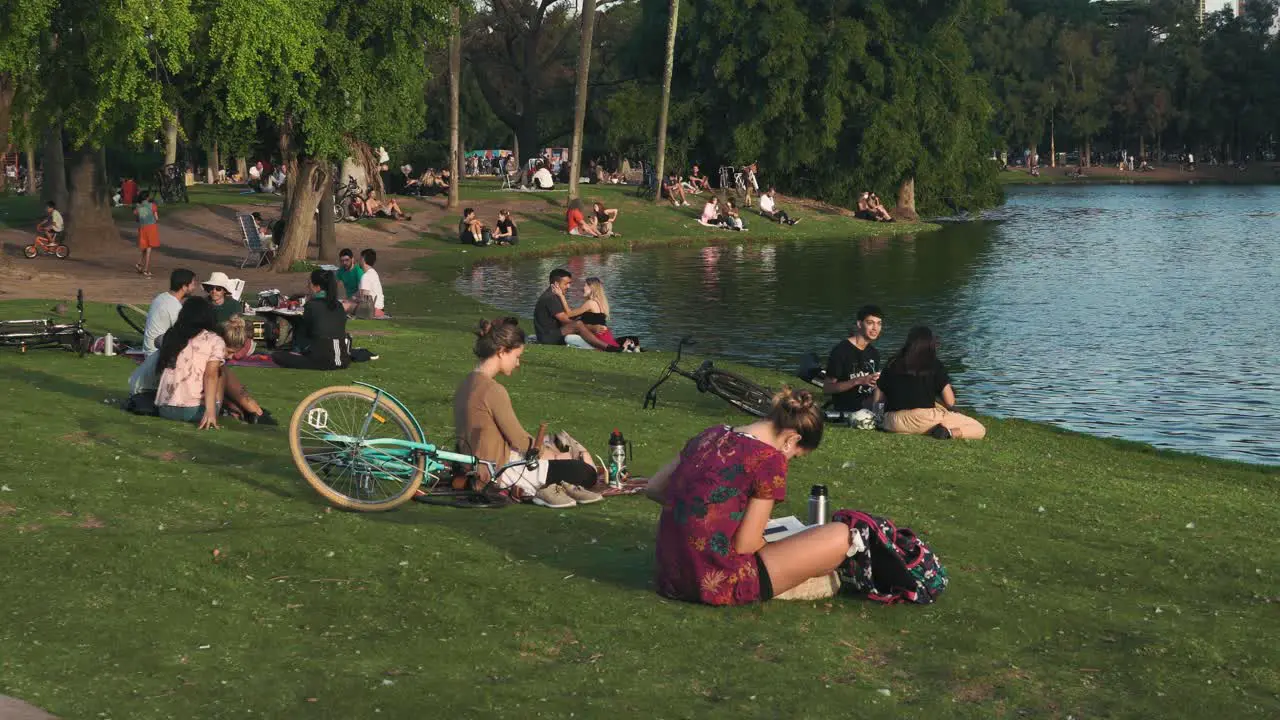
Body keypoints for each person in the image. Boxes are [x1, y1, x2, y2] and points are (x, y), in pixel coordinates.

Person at [647, 387, 854, 605]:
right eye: (795, 455)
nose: (790, 459)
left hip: (670, 575)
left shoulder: (711, 434)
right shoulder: (769, 459)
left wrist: (708, 515)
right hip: (717, 582)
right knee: (841, 536)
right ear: (792, 439)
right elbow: (746, 544)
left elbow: (655, 487)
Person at [453, 317, 603, 508]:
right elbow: (521, 442)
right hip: (500, 471)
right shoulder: (492, 390)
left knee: (558, 452)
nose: (518, 364)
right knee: (586, 473)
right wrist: (545, 451)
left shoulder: (465, 384)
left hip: (473, 465)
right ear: (501, 352)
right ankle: (548, 485)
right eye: (516, 356)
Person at [154, 297, 272, 427]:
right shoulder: (214, 340)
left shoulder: (172, 335)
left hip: (164, 408)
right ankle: (253, 408)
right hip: (191, 411)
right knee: (220, 372)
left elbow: (157, 341)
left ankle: (244, 407)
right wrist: (210, 412)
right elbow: (211, 376)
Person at [876, 326, 985, 440]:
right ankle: (949, 433)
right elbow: (950, 401)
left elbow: (878, 398)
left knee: (937, 406)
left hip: (893, 422)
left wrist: (878, 416)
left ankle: (918, 430)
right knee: (979, 428)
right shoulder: (935, 365)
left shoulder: (892, 363)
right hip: (925, 419)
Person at [272, 270, 351, 370]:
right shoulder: (339, 306)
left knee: (277, 356)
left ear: (317, 287)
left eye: (309, 284)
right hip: (343, 359)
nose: (307, 287)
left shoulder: (311, 306)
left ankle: (296, 352)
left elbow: (306, 333)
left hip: (322, 360)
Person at [823, 305, 883, 413]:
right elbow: (827, 388)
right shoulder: (841, 351)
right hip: (848, 405)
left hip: (869, 401)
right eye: (870, 323)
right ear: (859, 324)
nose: (875, 328)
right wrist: (858, 381)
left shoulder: (874, 353)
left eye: (879, 323)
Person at [532, 269, 611, 350]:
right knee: (578, 324)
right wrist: (591, 327)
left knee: (578, 325)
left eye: (569, 283)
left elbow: (568, 316)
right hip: (548, 338)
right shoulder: (551, 298)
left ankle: (603, 346)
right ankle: (605, 348)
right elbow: (564, 319)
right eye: (566, 284)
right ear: (556, 284)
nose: (569, 286)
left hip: (553, 334)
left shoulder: (555, 296)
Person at [560, 277, 617, 348]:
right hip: (604, 338)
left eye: (585, 285)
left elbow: (568, 314)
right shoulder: (601, 303)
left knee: (568, 338)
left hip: (596, 340)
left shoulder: (590, 303)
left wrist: (561, 296)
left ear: (592, 287)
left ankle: (590, 348)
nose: (583, 288)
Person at [342, 248, 386, 318]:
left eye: (360, 258)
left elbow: (364, 300)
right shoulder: (373, 273)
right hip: (378, 308)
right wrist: (349, 299)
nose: (359, 260)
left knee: (342, 306)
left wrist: (351, 301)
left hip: (371, 310)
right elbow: (360, 293)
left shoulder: (366, 276)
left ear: (363, 259)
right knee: (345, 302)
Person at [131, 191, 161, 277]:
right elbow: (156, 218)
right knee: (148, 249)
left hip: (142, 228)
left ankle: (139, 264)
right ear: (147, 198)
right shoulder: (152, 206)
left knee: (145, 247)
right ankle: (146, 269)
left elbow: (136, 219)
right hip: (151, 228)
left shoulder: (138, 208)